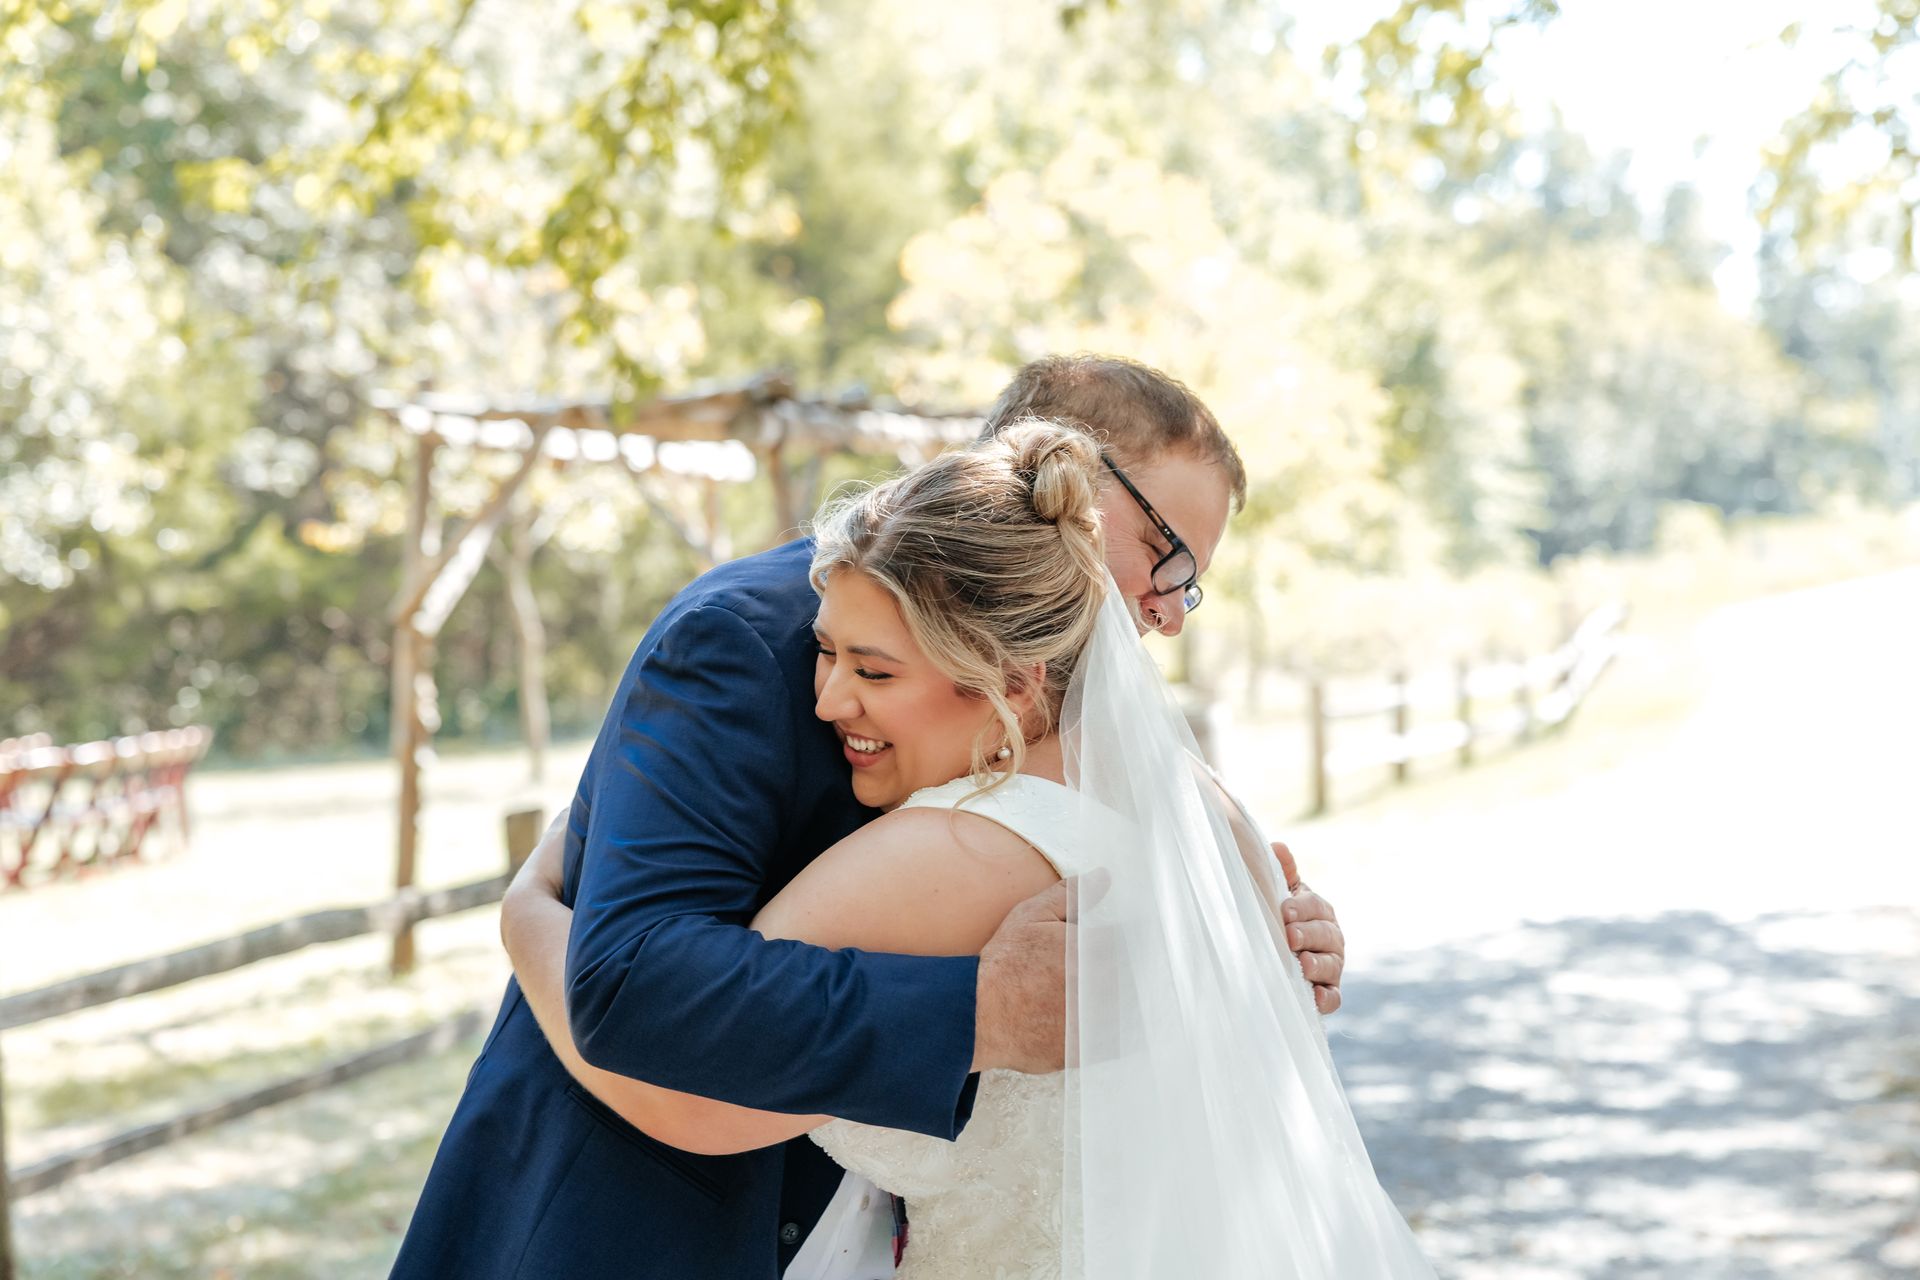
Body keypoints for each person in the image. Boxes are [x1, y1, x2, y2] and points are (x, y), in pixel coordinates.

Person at [388, 356, 1346, 1279]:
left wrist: (1266, 940)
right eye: (1169, 555)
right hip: (637, 1233)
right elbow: (639, 989)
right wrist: (979, 1012)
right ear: (1069, 483)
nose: (1173, 611)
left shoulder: (1091, 736)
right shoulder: (748, 636)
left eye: (1193, 583)